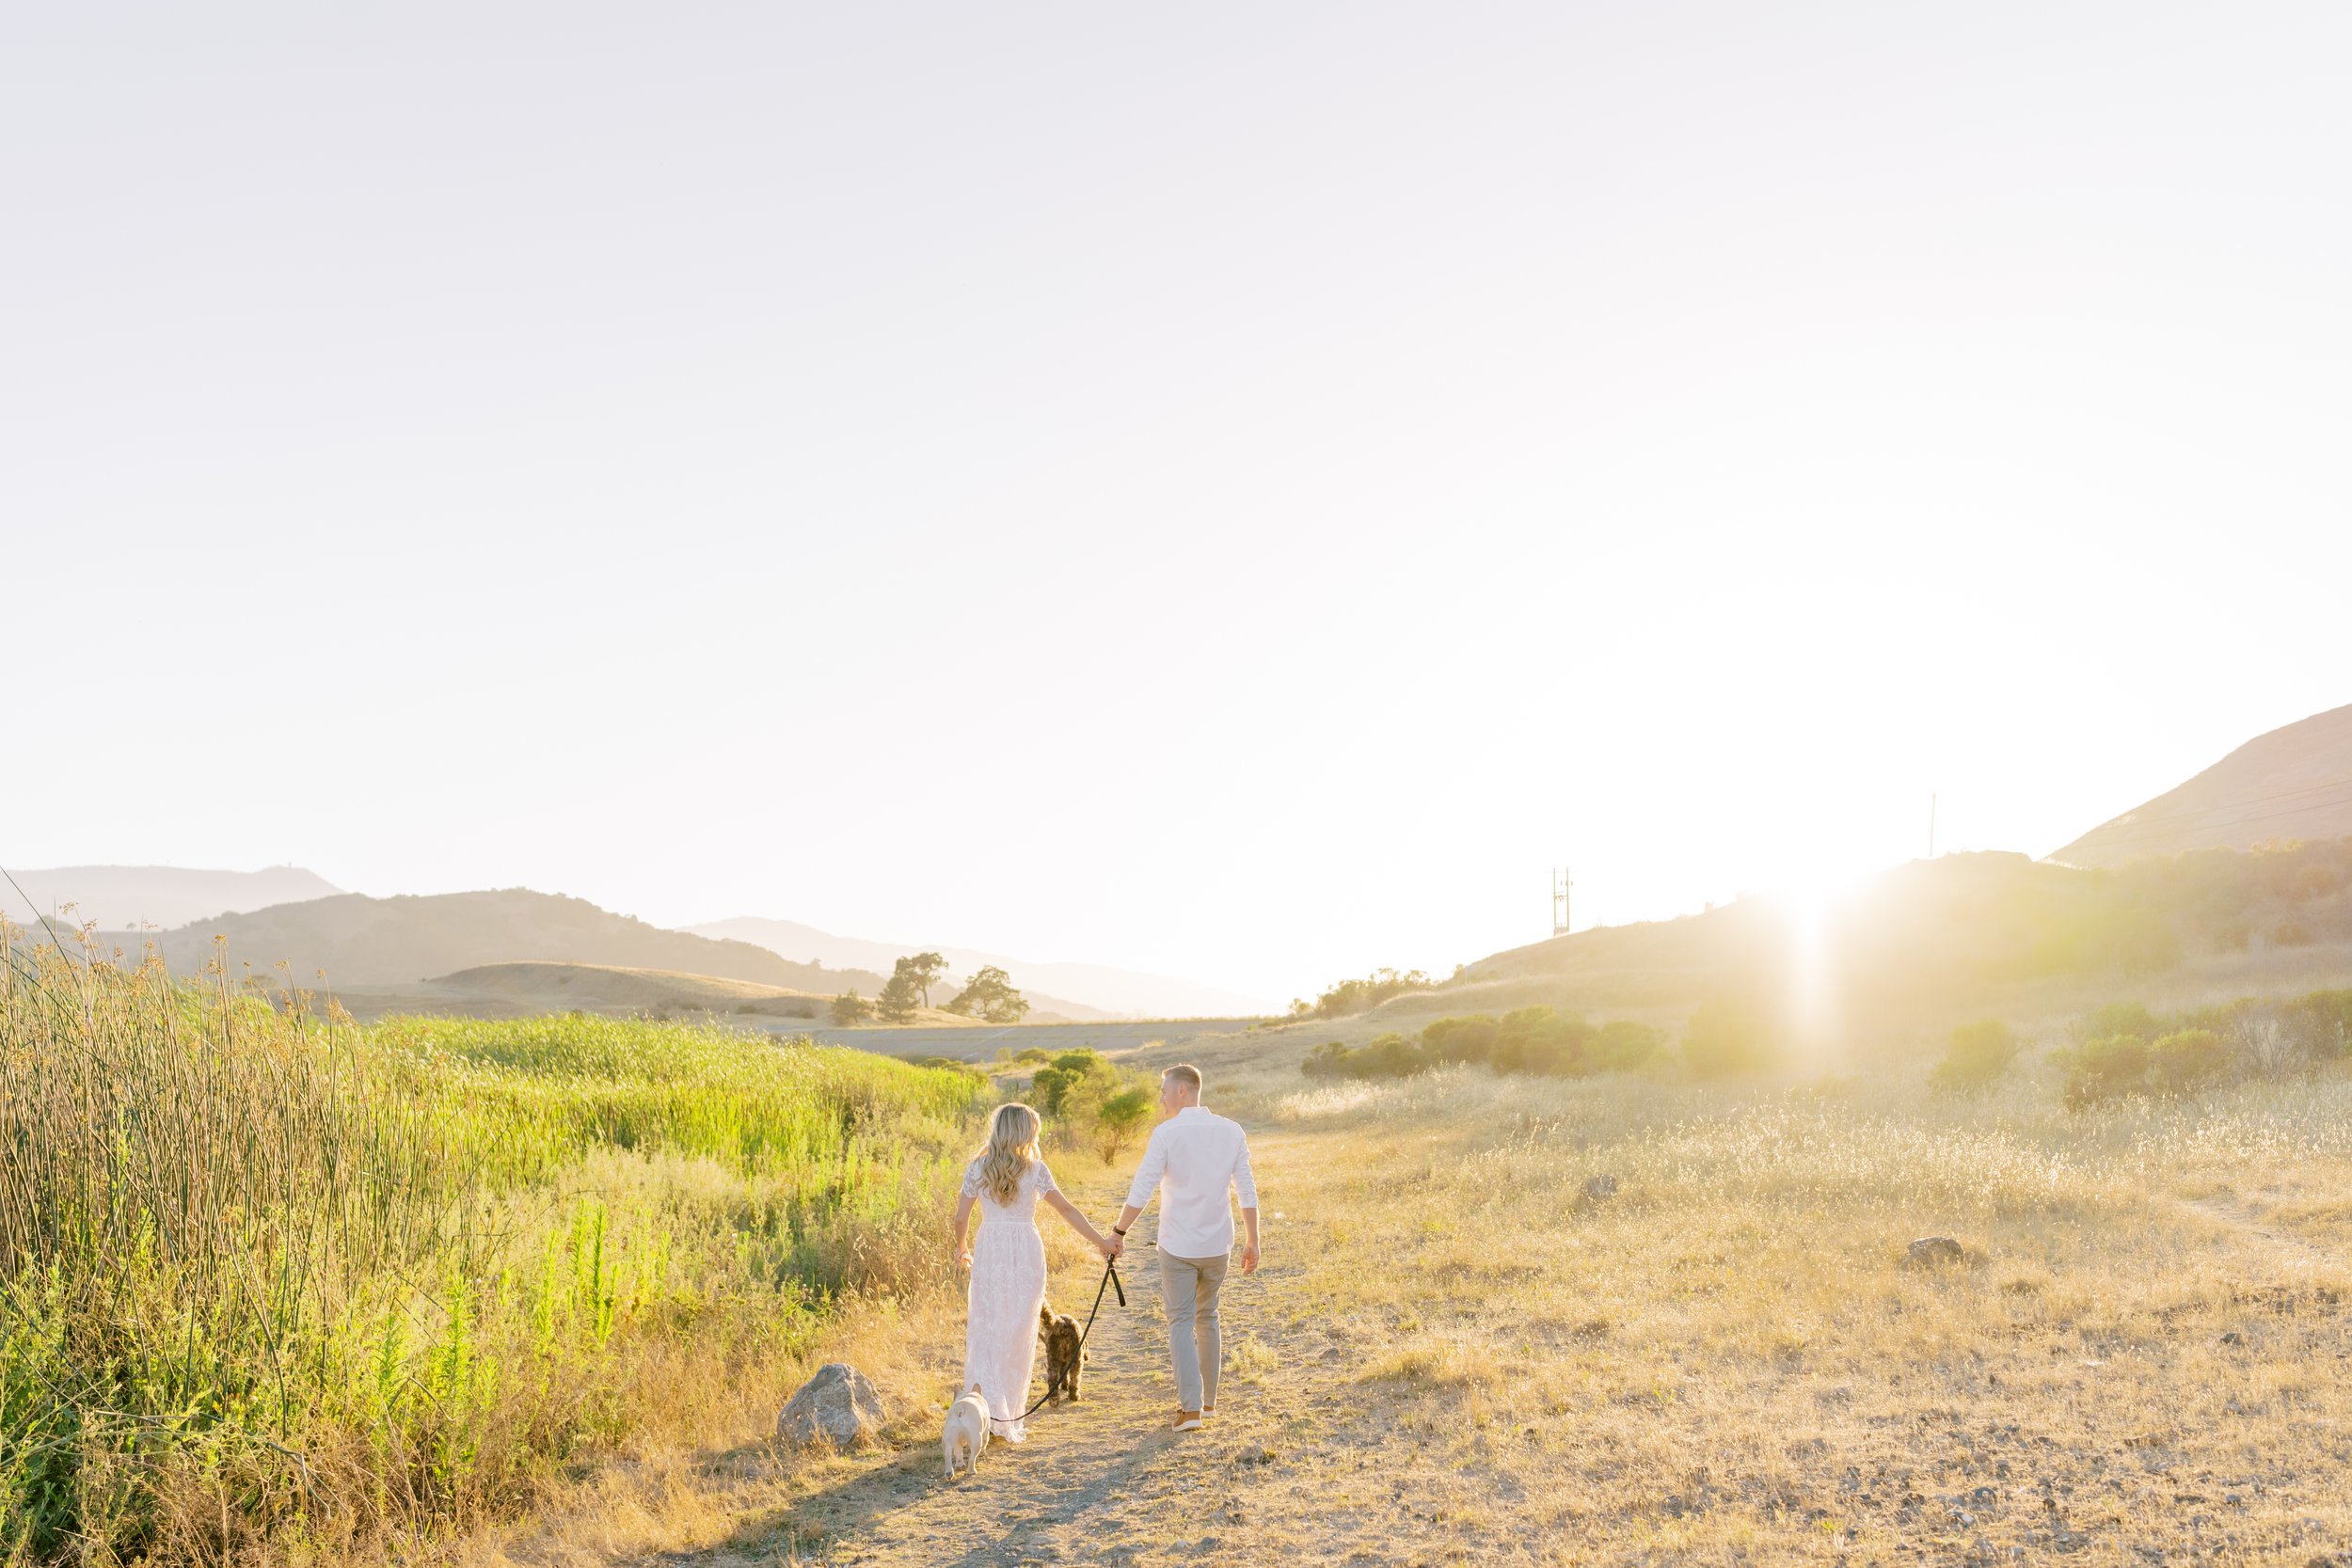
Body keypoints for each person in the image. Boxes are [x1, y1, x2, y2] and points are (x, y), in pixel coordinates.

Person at [950, 1102, 1120, 1442]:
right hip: (1026, 1252)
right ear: (1026, 1132)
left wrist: (962, 1247)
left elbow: (960, 1218)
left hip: (991, 1250)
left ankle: (983, 1412)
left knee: (987, 1330)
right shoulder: (1035, 1170)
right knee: (1018, 1333)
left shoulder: (977, 1169)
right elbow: (1068, 1211)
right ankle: (1007, 1415)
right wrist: (1101, 1241)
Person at [1110, 1063, 1260, 1432]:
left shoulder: (1166, 1134)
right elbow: (1246, 1188)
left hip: (1178, 1246)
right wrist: (1253, 1239)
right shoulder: (1231, 1131)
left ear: (1183, 1091)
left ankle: (1190, 1411)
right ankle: (1207, 1405)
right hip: (1217, 1244)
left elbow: (1142, 1188)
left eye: (1164, 1091)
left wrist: (1118, 1232)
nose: (1161, 1098)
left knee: (1180, 1321)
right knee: (1207, 1317)